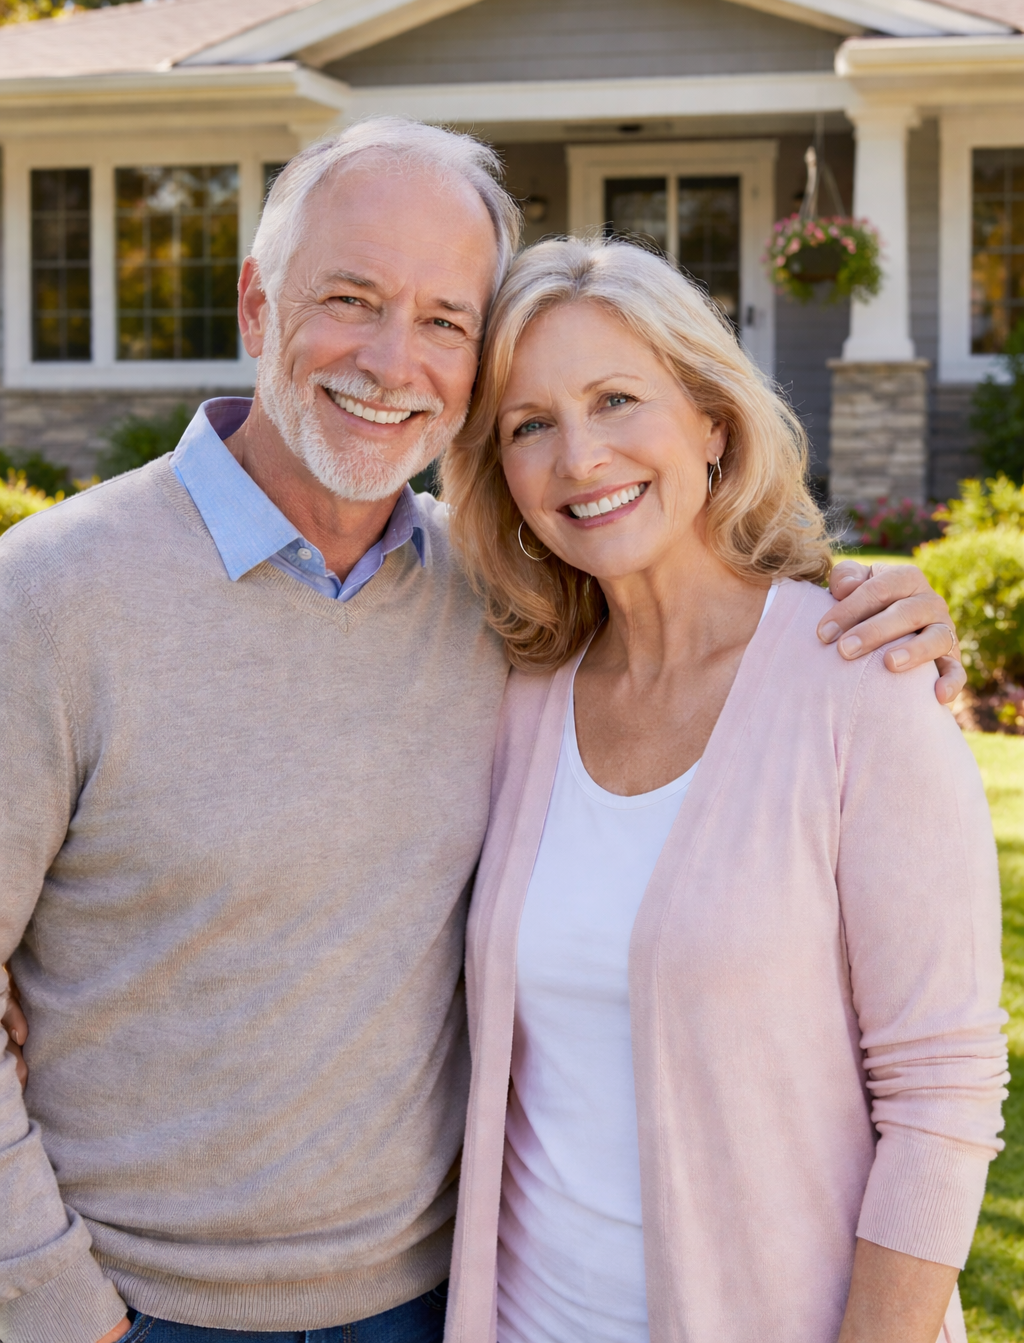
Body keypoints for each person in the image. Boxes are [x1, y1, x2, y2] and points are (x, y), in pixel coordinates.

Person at [0, 120, 967, 1343]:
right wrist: (55, 1310)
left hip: (426, 1307)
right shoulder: (48, 599)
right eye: (349, 298)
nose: (393, 361)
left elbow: (936, 1083)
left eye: (446, 321)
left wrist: (886, 612)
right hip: (138, 1310)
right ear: (256, 306)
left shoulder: (496, 615)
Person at [440, 236, 1008, 1343]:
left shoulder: (859, 682)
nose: (579, 458)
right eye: (529, 425)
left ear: (711, 420)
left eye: (616, 399)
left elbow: (942, 1096)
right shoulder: (516, 695)